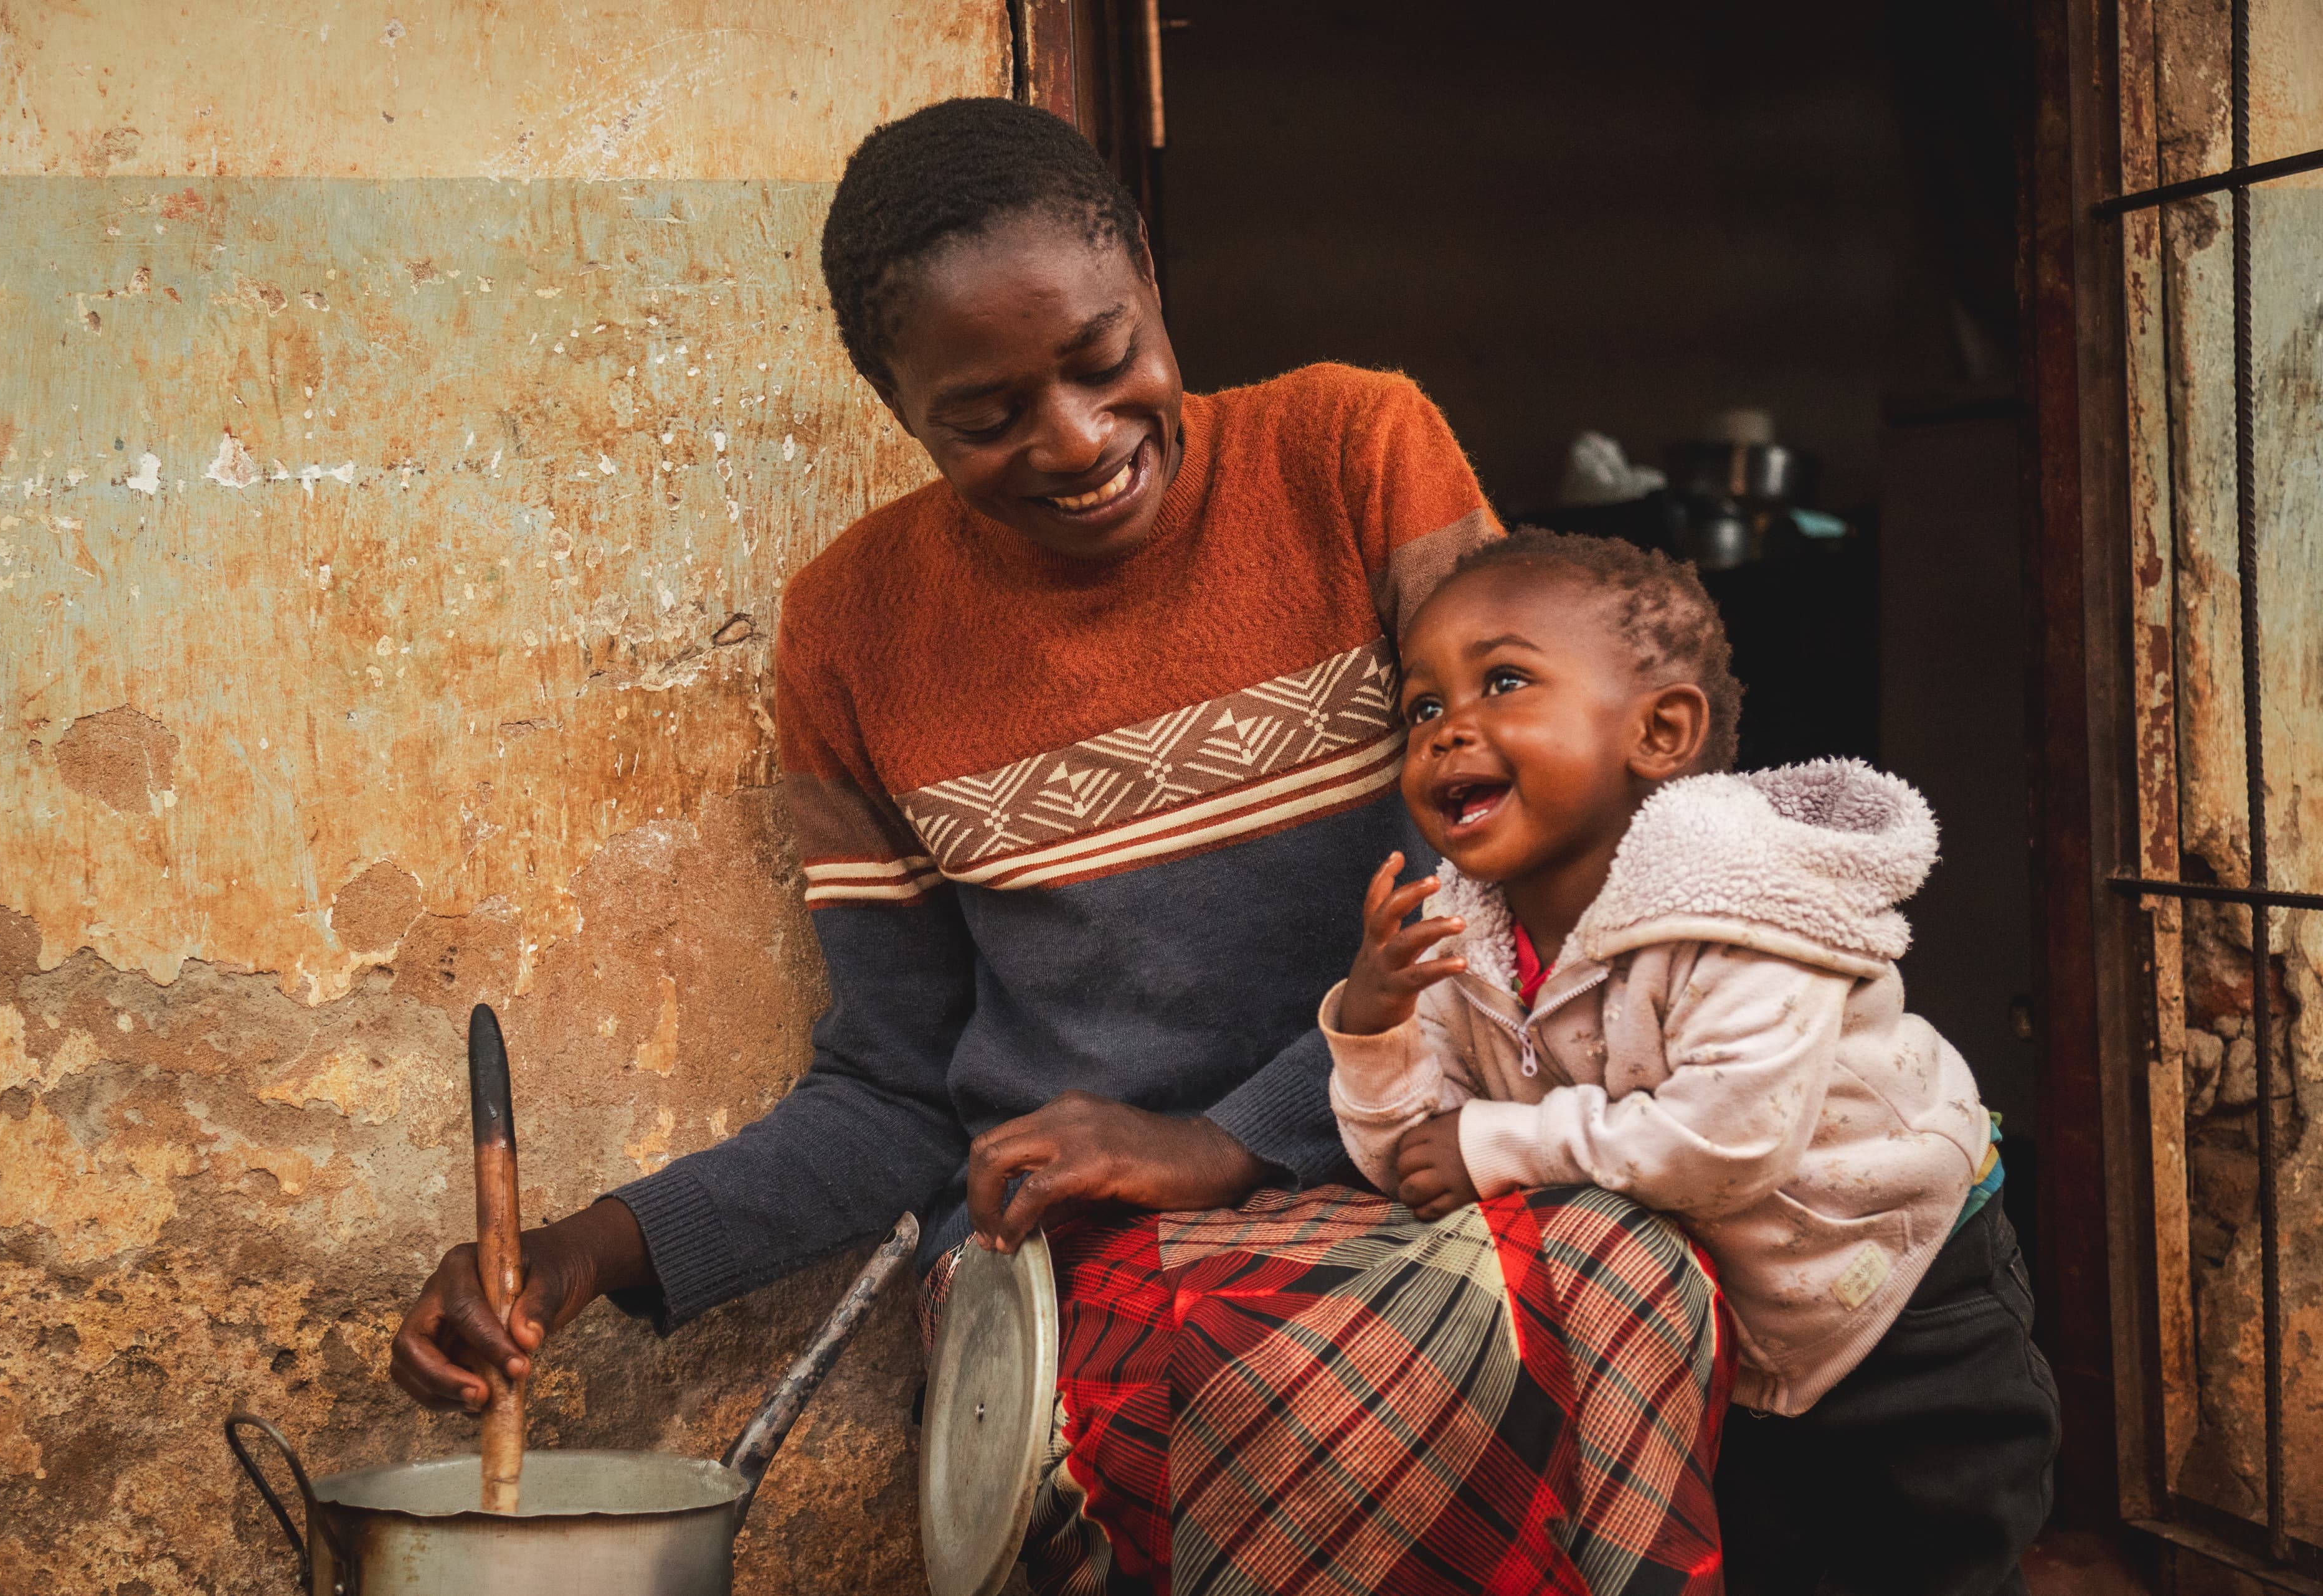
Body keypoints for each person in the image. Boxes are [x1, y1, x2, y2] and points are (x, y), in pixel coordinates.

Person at [392, 98, 1733, 1594]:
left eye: (1106, 360)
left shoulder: (1353, 451)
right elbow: (898, 1089)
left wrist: (1219, 1143)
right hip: (1095, 1259)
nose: (1079, 440)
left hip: (1413, 1151)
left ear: (1151, 277)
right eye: (985, 415)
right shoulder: (852, 629)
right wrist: (587, 1251)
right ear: (895, 405)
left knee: (1628, 1279)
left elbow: (1529, 880)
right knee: (1255, 1361)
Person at [1325, 529, 2061, 1595]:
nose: (1450, 732)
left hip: (1899, 1284)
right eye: (1424, 708)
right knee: (1774, 1558)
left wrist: (1496, 1139)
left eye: (1504, 681)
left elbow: (1728, 1139)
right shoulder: (1461, 933)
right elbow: (1416, 1158)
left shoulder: (1742, 899)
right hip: (1730, 1319)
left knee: (1933, 1552)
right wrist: (1375, 1018)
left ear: (1660, 731)